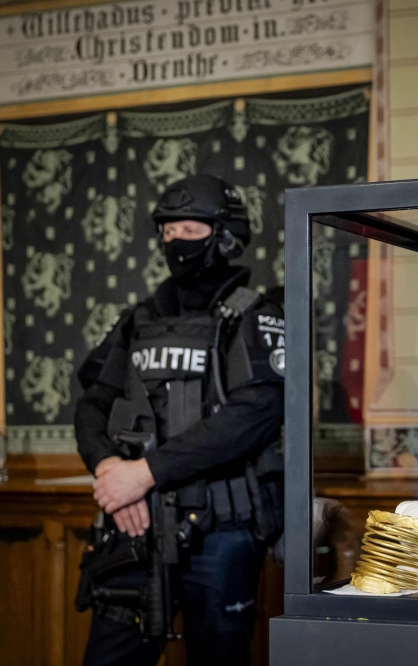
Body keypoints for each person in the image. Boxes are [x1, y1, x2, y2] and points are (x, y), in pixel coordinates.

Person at [74, 175, 285, 666]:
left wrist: (145, 473)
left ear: (225, 236)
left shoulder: (254, 314)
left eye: (190, 229)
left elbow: (254, 415)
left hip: (221, 528)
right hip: (134, 519)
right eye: (168, 231)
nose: (176, 241)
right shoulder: (138, 320)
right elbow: (92, 404)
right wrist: (109, 469)